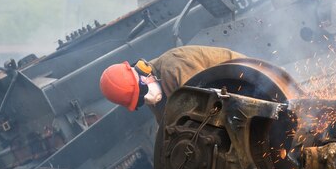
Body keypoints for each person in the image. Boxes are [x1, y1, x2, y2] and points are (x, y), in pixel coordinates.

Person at [99, 45, 245, 121]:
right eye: (140, 101)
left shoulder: (174, 67)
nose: (147, 98)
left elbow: (209, 106)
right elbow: (168, 129)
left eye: (143, 92)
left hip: (246, 85)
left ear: (143, 71)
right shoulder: (156, 96)